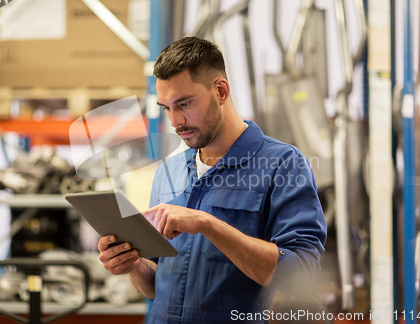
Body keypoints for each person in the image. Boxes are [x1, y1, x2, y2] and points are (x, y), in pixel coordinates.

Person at [98, 36, 327, 323]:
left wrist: (208, 224)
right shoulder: (168, 173)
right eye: (166, 107)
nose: (174, 121)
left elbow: (300, 273)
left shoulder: (282, 165)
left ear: (220, 90)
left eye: (183, 103)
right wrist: (131, 265)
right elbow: (160, 286)